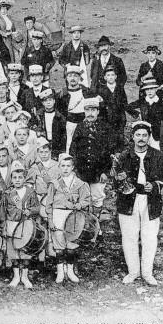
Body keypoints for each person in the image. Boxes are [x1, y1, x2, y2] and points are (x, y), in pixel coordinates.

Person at [113, 121, 163, 286]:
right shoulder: (124, 156)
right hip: (128, 200)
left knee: (149, 237)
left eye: (145, 135)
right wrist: (119, 180)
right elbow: (115, 181)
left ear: (149, 137)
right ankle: (133, 272)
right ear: (132, 137)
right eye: (138, 135)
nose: (141, 138)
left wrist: (154, 184)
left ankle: (147, 273)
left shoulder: (158, 156)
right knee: (129, 236)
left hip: (150, 201)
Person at [70, 97, 115, 235]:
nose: (90, 113)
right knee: (82, 198)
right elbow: (73, 149)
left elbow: (109, 151)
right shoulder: (80, 127)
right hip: (82, 171)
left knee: (97, 198)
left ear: (98, 111)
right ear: (84, 111)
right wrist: (75, 170)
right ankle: (83, 226)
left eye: (93, 110)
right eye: (87, 110)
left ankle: (96, 226)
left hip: (98, 172)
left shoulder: (105, 128)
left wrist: (105, 172)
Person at [44, 153, 91, 284]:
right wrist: (50, 219)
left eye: (68, 166)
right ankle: (60, 270)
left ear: (73, 167)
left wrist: (80, 204)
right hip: (58, 214)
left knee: (71, 244)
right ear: (59, 167)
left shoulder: (80, 184)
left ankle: (70, 270)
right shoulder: (54, 184)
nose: (65, 168)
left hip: (73, 216)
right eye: (63, 166)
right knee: (59, 245)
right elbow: (49, 203)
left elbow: (86, 199)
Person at [3, 160, 41, 288]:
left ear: (25, 178)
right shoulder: (8, 194)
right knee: (13, 251)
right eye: (15, 178)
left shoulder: (30, 192)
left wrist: (29, 211)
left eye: (20, 177)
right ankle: (16, 276)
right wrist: (3, 225)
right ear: (11, 179)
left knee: (25, 250)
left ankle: (24, 277)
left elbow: (37, 207)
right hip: (12, 225)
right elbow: (2, 211)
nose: (17, 180)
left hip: (26, 224)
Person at [95, 65, 129, 148]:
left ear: (116, 76)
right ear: (105, 77)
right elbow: (99, 107)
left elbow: (124, 103)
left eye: (112, 75)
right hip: (106, 119)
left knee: (119, 139)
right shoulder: (101, 90)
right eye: (108, 75)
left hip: (119, 119)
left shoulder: (120, 88)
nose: (110, 77)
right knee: (107, 140)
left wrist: (133, 113)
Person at [34, 89, 66, 157]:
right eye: (46, 100)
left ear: (54, 101)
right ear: (43, 103)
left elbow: (63, 135)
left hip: (56, 146)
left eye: (50, 100)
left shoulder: (59, 117)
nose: (48, 103)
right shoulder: (39, 116)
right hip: (43, 145)